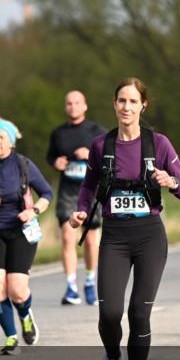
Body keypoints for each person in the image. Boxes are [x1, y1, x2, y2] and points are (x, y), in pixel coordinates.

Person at [70, 78, 180, 360]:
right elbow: (88, 186)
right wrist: (80, 211)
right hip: (114, 236)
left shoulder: (159, 144)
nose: (126, 107)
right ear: (114, 103)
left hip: (149, 235)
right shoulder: (101, 146)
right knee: (110, 312)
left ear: (143, 106)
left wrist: (171, 181)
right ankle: (112, 358)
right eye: (121, 101)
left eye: (133, 101)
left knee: (139, 313)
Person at [0, 117, 53, 354]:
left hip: (21, 231)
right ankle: (11, 337)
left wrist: (33, 211)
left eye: (1, 137)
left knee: (16, 290)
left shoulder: (24, 165)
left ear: (11, 142)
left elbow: (47, 193)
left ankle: (25, 315)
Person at [46, 90, 107, 305]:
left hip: (91, 191)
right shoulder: (58, 133)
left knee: (90, 241)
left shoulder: (97, 132)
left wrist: (91, 155)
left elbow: (111, 158)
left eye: (77, 103)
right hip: (68, 191)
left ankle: (90, 281)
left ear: (85, 106)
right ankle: (71, 287)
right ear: (66, 107)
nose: (73, 106)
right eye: (69, 103)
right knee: (67, 236)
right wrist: (56, 163)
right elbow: (51, 156)